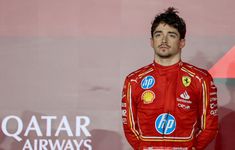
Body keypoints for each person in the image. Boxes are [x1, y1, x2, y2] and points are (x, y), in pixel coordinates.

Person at [121, 7, 218, 150]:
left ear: (182, 42)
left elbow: (210, 127)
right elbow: (130, 128)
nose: (164, 40)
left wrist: (190, 148)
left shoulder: (201, 79)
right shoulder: (134, 80)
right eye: (158, 34)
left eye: (172, 35)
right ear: (151, 41)